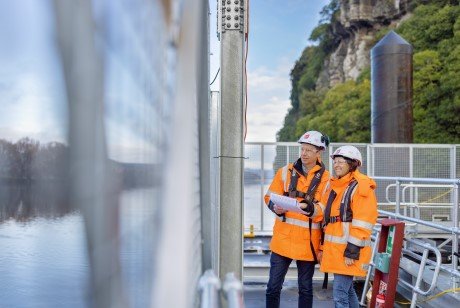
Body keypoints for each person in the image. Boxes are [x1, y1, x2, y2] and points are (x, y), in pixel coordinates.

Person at [264, 130, 331, 308]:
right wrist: (275, 207)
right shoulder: (285, 171)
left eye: (309, 150)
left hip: (308, 243)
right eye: (302, 149)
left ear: (319, 152)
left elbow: (325, 211)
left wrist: (308, 208)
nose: (304, 153)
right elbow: (269, 196)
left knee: (306, 288)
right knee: (272, 287)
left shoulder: (327, 180)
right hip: (282, 240)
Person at [318, 145, 378, 308]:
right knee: (348, 290)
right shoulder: (336, 185)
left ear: (352, 164)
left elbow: (363, 222)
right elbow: (327, 216)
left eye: (341, 162)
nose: (336, 165)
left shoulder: (361, 186)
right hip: (337, 251)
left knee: (339, 295)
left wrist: (352, 251)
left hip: (349, 252)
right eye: (335, 161)